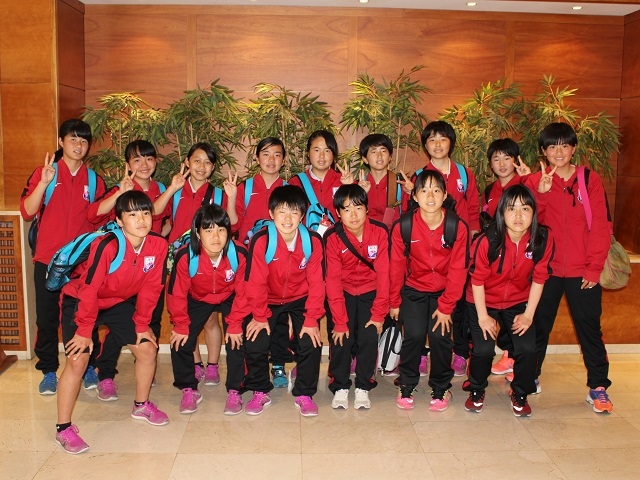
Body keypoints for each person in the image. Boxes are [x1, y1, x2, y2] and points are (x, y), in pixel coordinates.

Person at [54, 191, 168, 455]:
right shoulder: (108, 245)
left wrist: (142, 324)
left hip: (116, 302)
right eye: (132, 214)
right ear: (119, 220)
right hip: (81, 300)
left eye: (145, 213)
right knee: (78, 360)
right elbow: (90, 287)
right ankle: (63, 428)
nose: (141, 220)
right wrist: (84, 330)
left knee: (147, 349)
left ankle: (141, 405)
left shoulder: (158, 245)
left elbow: (152, 288)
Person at [524, 122, 614, 413]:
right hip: (545, 270)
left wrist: (593, 268)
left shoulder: (588, 179)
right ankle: (530, 376)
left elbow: (601, 225)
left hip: (582, 271)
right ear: (544, 151)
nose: (559, 151)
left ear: (574, 148)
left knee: (589, 329)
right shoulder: (535, 181)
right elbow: (529, 225)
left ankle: (598, 386)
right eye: (552, 146)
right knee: (538, 326)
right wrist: (541, 193)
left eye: (565, 145)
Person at [20, 119, 106, 395]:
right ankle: (48, 370)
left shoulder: (94, 180)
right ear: (61, 142)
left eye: (83, 141)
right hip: (47, 258)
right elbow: (27, 211)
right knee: (46, 318)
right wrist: (43, 184)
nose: (78, 145)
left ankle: (88, 365)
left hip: (81, 262)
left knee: (85, 315)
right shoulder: (44, 172)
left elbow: (98, 219)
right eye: (72, 139)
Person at [85, 140, 168, 400]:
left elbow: (164, 219)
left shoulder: (160, 188)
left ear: (155, 162)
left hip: (148, 267)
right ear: (128, 164)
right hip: (119, 273)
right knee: (116, 326)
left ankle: (144, 366)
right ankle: (105, 373)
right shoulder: (119, 189)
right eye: (137, 159)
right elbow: (93, 215)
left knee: (149, 320)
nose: (144, 164)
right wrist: (120, 192)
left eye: (149, 158)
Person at [464, 185, 553, 417]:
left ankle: (520, 392)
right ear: (502, 212)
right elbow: (477, 280)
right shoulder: (487, 241)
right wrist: (483, 317)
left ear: (533, 213)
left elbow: (540, 278)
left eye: (525, 209)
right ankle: (476, 389)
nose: (518, 215)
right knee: (483, 350)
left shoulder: (542, 239)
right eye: (512, 209)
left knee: (527, 348)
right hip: (483, 300)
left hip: (517, 301)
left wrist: (528, 315)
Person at [402, 121, 480, 378]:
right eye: (432, 140)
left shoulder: (464, 174)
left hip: (458, 249)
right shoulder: (418, 176)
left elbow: (473, 210)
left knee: (457, 304)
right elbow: (410, 216)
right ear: (425, 146)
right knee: (420, 314)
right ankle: (422, 354)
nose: (437, 145)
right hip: (428, 253)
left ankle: (459, 352)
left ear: (451, 143)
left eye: (442, 139)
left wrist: (472, 242)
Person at [390, 170, 469, 411]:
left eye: (436, 190)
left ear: (445, 195)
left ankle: (441, 386)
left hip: (445, 292)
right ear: (414, 196)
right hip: (414, 289)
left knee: (440, 337)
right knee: (413, 336)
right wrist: (394, 301)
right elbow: (396, 266)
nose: (430, 196)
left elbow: (458, 269)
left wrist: (446, 306)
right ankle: (406, 383)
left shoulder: (456, 226)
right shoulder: (403, 226)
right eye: (424, 190)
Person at [243, 185, 325, 417]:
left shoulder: (313, 241)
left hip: (300, 297)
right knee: (255, 341)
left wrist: (311, 319)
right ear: (271, 213)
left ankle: (305, 393)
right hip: (267, 298)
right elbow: (255, 282)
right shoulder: (261, 240)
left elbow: (317, 283)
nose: (288, 218)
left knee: (311, 341)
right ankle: (260, 390)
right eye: (282, 211)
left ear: (302, 215)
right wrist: (260, 316)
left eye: (294, 212)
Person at [167, 204, 250, 415]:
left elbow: (245, 291)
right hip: (198, 297)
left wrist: (235, 324)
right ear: (197, 233)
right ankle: (188, 389)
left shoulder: (239, 253)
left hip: (231, 295)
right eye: (209, 230)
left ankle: (235, 390)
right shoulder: (185, 256)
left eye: (221, 229)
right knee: (180, 340)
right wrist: (181, 325)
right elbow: (176, 293)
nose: (216, 236)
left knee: (237, 339)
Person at [154, 142, 225, 386]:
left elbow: (228, 228)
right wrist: (172, 188)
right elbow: (156, 214)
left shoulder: (219, 194)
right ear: (187, 162)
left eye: (207, 162)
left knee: (210, 318)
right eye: (196, 161)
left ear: (213, 167)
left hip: (207, 262)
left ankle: (213, 365)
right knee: (186, 315)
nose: (201, 166)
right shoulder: (175, 190)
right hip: (179, 261)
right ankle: (195, 364)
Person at [325, 184, 389, 410]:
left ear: (367, 209)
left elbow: (384, 275)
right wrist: (340, 321)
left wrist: (379, 313)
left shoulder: (380, 232)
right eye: (346, 209)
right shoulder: (333, 237)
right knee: (341, 337)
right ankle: (340, 385)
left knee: (368, 338)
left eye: (358, 208)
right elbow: (332, 281)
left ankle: (363, 385)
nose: (353, 215)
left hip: (371, 292)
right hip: (343, 292)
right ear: (338, 213)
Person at [480, 138, 531, 376]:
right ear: (490, 164)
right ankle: (509, 356)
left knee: (516, 311)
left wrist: (528, 180)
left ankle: (516, 360)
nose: (502, 164)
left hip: (520, 258)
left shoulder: (524, 186)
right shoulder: (490, 190)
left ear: (516, 160)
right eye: (496, 159)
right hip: (495, 258)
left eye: (507, 158)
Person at [225, 137, 288, 246]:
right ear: (257, 159)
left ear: (283, 160)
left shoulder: (289, 191)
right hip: (247, 250)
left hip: (278, 250)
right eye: (266, 154)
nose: (271, 159)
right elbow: (232, 226)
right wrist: (231, 198)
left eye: (277, 155)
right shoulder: (244, 188)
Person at [356, 133, 402, 228]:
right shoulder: (358, 186)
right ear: (365, 159)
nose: (379, 156)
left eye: (383, 151)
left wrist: (411, 193)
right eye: (374, 152)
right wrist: (359, 194)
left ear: (390, 157)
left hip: (393, 235)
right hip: (366, 234)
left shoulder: (400, 184)